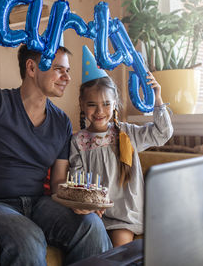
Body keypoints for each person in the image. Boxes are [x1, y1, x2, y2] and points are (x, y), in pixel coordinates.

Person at [0, 27, 111, 266]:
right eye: (58, 70)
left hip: (37, 204)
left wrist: (79, 203)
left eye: (67, 71)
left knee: (91, 226)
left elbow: (57, 184)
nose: (67, 78)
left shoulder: (61, 121)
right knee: (28, 237)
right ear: (32, 68)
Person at [69, 46, 173, 247]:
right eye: (92, 104)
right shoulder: (78, 141)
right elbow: (77, 180)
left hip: (132, 214)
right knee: (109, 253)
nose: (100, 111)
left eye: (106, 104)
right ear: (82, 104)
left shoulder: (128, 133)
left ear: (115, 103)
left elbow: (162, 134)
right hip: (103, 216)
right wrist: (90, 205)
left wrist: (157, 98)